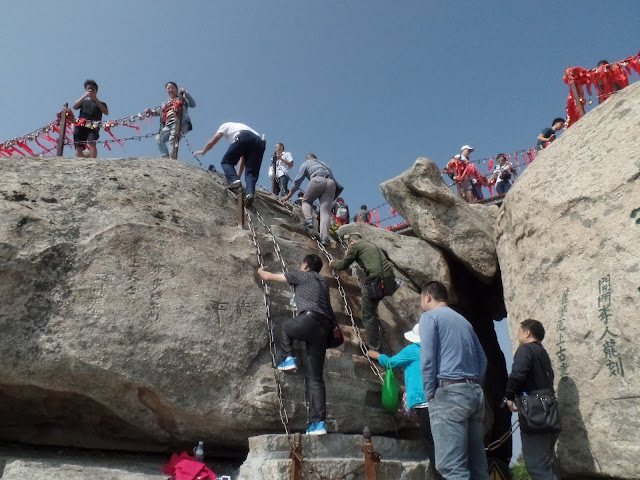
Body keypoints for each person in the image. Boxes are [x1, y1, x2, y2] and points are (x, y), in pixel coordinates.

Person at [257, 254, 334, 436]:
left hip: (308, 320)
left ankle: (288, 357)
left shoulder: (301, 275)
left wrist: (260, 270)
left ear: (305, 265)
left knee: (286, 326)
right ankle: (318, 423)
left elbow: (268, 277)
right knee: (316, 378)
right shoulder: (323, 281)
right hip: (324, 329)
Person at [419, 281, 488, 480]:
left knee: (451, 467)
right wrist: (474, 385)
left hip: (449, 393)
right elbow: (482, 359)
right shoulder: (464, 321)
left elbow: (428, 358)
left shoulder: (429, 317)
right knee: (477, 467)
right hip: (474, 392)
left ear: (428, 297)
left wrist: (430, 394)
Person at [367, 325, 445, 480]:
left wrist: (377, 355)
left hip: (423, 402)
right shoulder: (437, 350)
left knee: (430, 441)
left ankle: (440, 476)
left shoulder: (413, 349)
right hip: (440, 401)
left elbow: (391, 362)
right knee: (441, 441)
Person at [505, 319, 560, 480]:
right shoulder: (542, 353)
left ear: (527, 332)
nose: (517, 334)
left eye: (520, 331)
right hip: (550, 414)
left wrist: (509, 396)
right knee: (544, 465)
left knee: (537, 467)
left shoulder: (525, 350)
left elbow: (517, 374)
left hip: (535, 416)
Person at [330, 234, 397, 351]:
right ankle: (375, 336)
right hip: (389, 281)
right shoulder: (372, 245)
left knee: (367, 315)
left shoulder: (355, 247)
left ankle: (374, 347)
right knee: (372, 309)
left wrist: (332, 264)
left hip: (374, 282)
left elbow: (343, 265)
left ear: (351, 242)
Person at [195, 122, 266, 207]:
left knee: (226, 162)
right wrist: (237, 177)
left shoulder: (225, 126)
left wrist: (204, 151)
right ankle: (249, 193)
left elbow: (213, 141)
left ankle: (234, 181)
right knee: (251, 173)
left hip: (244, 136)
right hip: (260, 142)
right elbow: (242, 159)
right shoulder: (241, 127)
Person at [282, 154, 338, 246]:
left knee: (306, 201)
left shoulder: (306, 163)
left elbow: (297, 181)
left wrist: (288, 196)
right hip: (331, 184)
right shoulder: (325, 165)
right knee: (325, 212)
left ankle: (309, 221)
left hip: (317, 180)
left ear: (308, 158)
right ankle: (324, 238)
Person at [146, 82, 196, 158]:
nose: (170, 90)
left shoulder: (181, 98)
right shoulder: (165, 103)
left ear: (176, 89)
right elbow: (159, 112)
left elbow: (193, 104)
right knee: (159, 138)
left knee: (172, 140)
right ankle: (166, 158)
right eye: (168, 88)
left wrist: (186, 93)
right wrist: (151, 112)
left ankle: (172, 160)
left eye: (172, 88)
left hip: (180, 122)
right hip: (168, 124)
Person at [72, 79, 108, 158]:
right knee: (78, 144)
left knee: (92, 142)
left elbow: (105, 111)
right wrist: (85, 96)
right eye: (89, 88)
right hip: (80, 123)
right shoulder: (83, 101)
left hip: (93, 125)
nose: (91, 90)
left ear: (96, 91)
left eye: (93, 89)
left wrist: (95, 99)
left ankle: (92, 161)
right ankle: (79, 160)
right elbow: (74, 106)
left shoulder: (101, 103)